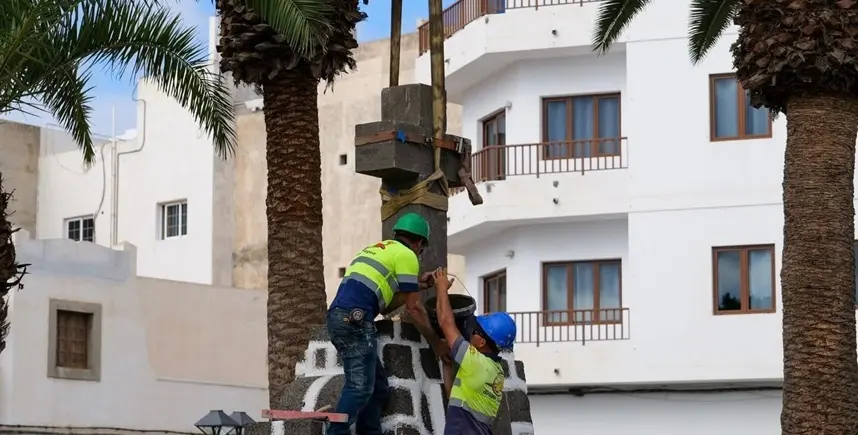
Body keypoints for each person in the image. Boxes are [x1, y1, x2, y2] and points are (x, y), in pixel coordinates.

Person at [326, 213, 451, 435]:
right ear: (419, 243)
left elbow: (385, 307)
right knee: (360, 387)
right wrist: (436, 344)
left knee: (377, 388)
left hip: (341, 317)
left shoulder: (377, 249)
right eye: (421, 249)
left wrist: (415, 285)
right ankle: (336, 432)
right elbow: (414, 309)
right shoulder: (407, 255)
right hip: (355, 321)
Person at [433, 267, 516, 435]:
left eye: (475, 331)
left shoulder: (475, 362)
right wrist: (448, 367)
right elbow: (456, 399)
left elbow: (446, 322)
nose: (470, 333)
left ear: (482, 341)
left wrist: (441, 288)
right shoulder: (494, 370)